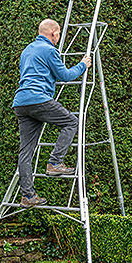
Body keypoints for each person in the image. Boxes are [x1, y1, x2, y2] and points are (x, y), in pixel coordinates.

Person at [12, 19, 92, 208]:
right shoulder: (49, 50)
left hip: (21, 103)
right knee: (72, 122)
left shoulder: (27, 50)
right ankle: (55, 163)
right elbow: (64, 76)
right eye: (59, 34)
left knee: (26, 152)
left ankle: (28, 196)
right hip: (38, 99)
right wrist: (83, 65)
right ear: (54, 33)